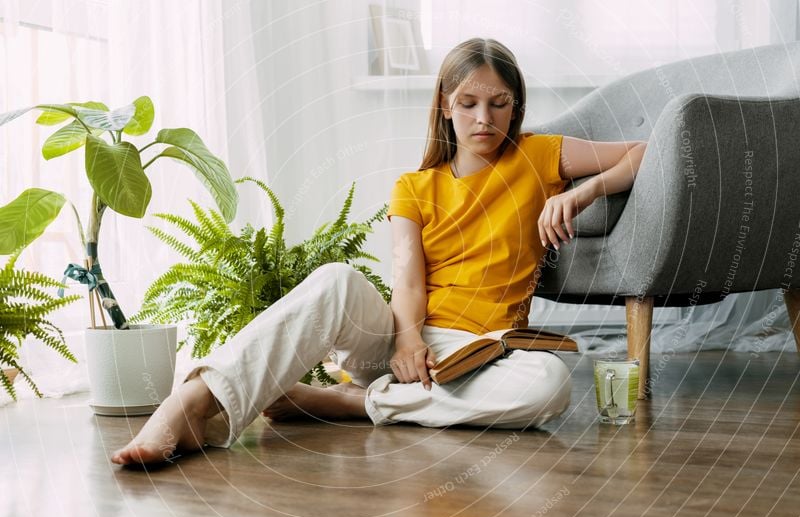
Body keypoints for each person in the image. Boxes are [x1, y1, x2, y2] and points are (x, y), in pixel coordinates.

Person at [112, 38, 646, 466]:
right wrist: (408, 340)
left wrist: (581, 191)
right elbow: (408, 281)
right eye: (468, 103)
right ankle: (192, 402)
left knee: (550, 385)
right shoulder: (414, 187)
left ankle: (350, 403)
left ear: (515, 106)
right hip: (399, 345)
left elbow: (641, 153)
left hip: (482, 353)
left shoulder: (538, 156)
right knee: (336, 280)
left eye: (499, 104)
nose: (484, 118)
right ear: (444, 105)